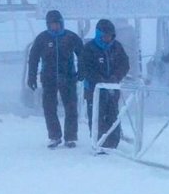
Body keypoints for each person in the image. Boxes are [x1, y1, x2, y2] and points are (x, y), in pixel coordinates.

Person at [26, 9, 83, 148]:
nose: (55, 27)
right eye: (52, 24)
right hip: (48, 78)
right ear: (47, 25)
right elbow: (33, 58)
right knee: (49, 108)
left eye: (57, 24)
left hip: (68, 77)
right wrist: (32, 76)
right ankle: (54, 136)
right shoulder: (42, 38)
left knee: (71, 107)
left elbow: (82, 54)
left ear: (62, 23)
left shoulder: (71, 37)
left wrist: (82, 72)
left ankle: (70, 137)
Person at [80, 19, 130, 150]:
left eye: (110, 36)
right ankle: (99, 143)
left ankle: (113, 143)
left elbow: (125, 64)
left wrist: (116, 76)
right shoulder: (89, 48)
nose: (108, 38)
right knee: (97, 116)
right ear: (98, 34)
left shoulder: (117, 47)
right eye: (105, 35)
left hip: (113, 88)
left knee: (113, 115)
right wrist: (100, 80)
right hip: (94, 90)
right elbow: (85, 68)